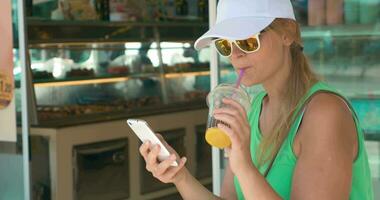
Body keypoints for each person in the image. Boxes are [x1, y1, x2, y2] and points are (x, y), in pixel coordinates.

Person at [139, 0, 374, 199]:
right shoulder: (254, 108)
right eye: (225, 44)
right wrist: (179, 174)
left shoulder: (324, 114)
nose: (236, 53)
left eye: (247, 40)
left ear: (287, 33)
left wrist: (243, 165)